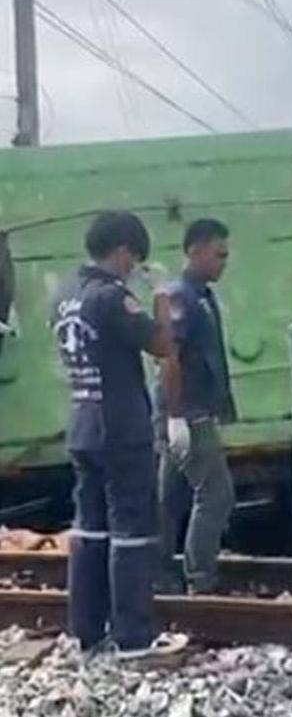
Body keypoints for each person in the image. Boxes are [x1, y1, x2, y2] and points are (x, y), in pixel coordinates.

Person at [50, 210, 187, 659]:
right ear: (123, 250)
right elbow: (163, 344)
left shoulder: (66, 295)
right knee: (132, 529)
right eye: (135, 258)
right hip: (120, 425)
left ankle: (87, 631)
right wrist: (162, 296)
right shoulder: (112, 297)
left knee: (89, 529)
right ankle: (134, 635)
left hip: (82, 423)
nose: (135, 267)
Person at [155, 218, 237, 595]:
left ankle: (159, 573)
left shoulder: (200, 295)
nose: (224, 261)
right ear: (195, 250)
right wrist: (177, 417)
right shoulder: (182, 298)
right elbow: (169, 359)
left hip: (187, 410)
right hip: (188, 412)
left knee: (168, 499)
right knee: (216, 494)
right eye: (218, 253)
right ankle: (201, 578)